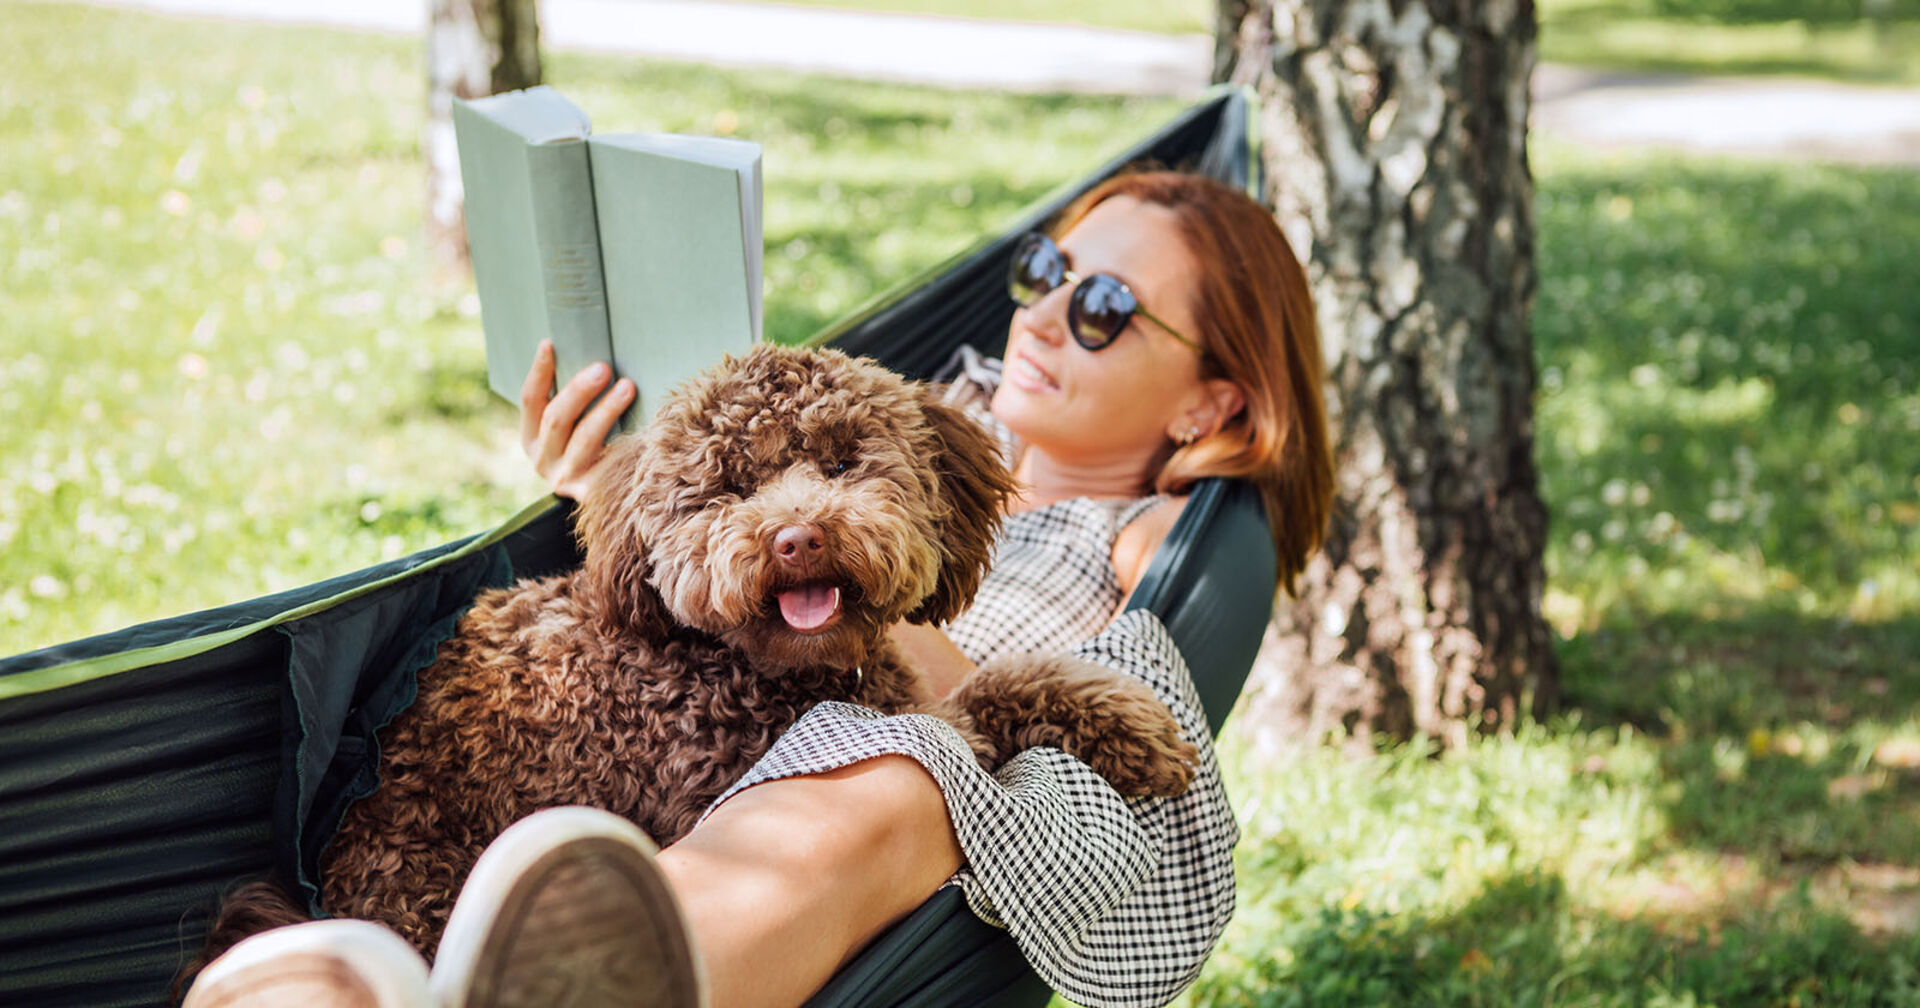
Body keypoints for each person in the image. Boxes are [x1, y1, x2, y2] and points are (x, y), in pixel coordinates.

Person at [187, 170, 1332, 1008]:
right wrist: (602, 482)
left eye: (1103, 312)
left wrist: (917, 645)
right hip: (582, 761)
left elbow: (1087, 731)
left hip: (875, 770)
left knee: (875, 777)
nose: (1041, 314)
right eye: (1047, 270)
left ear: (1210, 406)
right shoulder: (908, 400)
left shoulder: (1150, 536)